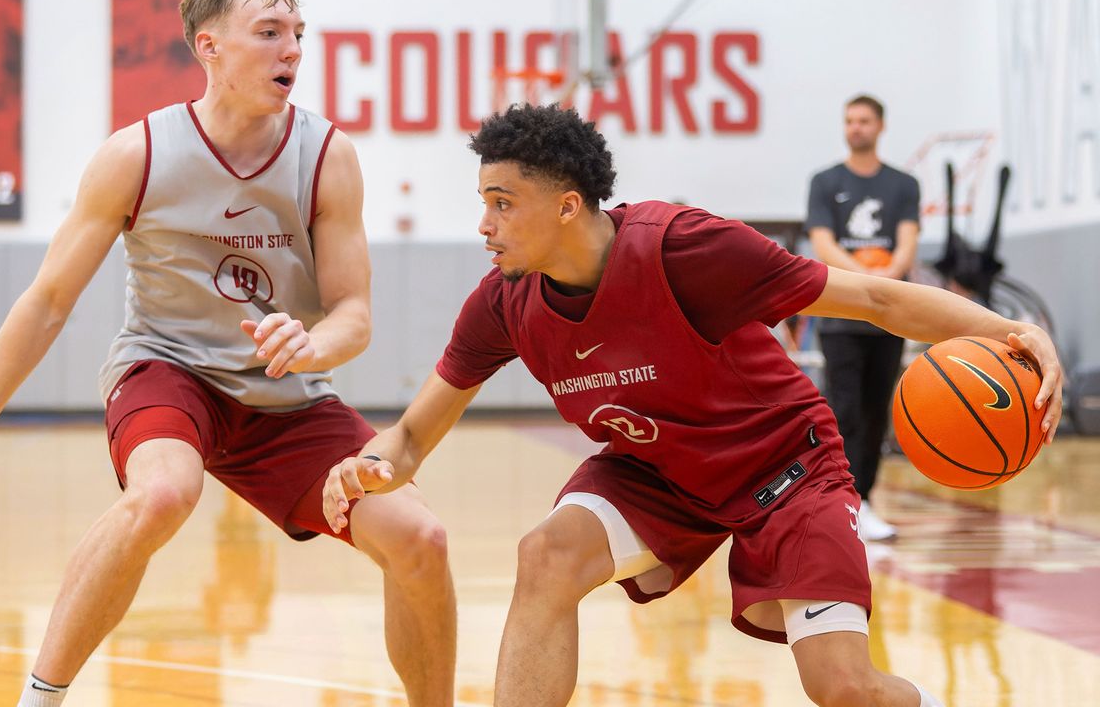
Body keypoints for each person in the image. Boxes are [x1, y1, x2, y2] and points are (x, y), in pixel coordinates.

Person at [323, 104, 1062, 707]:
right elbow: (414, 434)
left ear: (568, 205)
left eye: (502, 203)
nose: (484, 225)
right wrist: (371, 466)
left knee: (844, 688)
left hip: (786, 468)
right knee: (546, 554)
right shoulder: (503, 303)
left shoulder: (688, 251)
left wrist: (1011, 331)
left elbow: (871, 296)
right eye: (483, 203)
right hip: (658, 473)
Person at [0, 0, 455, 707]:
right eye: (270, 32)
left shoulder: (326, 156)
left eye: (298, 33)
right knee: (164, 493)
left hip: (286, 396)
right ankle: (39, 700)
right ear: (209, 46)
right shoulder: (137, 155)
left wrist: (315, 343)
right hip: (169, 372)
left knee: (422, 540)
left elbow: (354, 315)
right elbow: (45, 302)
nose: (293, 51)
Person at [805, 95, 921, 541]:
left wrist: (888, 279)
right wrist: (866, 279)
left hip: (890, 316)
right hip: (841, 314)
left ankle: (864, 501)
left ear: (880, 126)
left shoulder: (903, 185)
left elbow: (907, 242)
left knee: (876, 413)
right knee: (842, 411)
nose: (856, 127)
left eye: (864, 120)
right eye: (849, 120)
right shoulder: (825, 181)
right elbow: (823, 244)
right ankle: (838, 500)